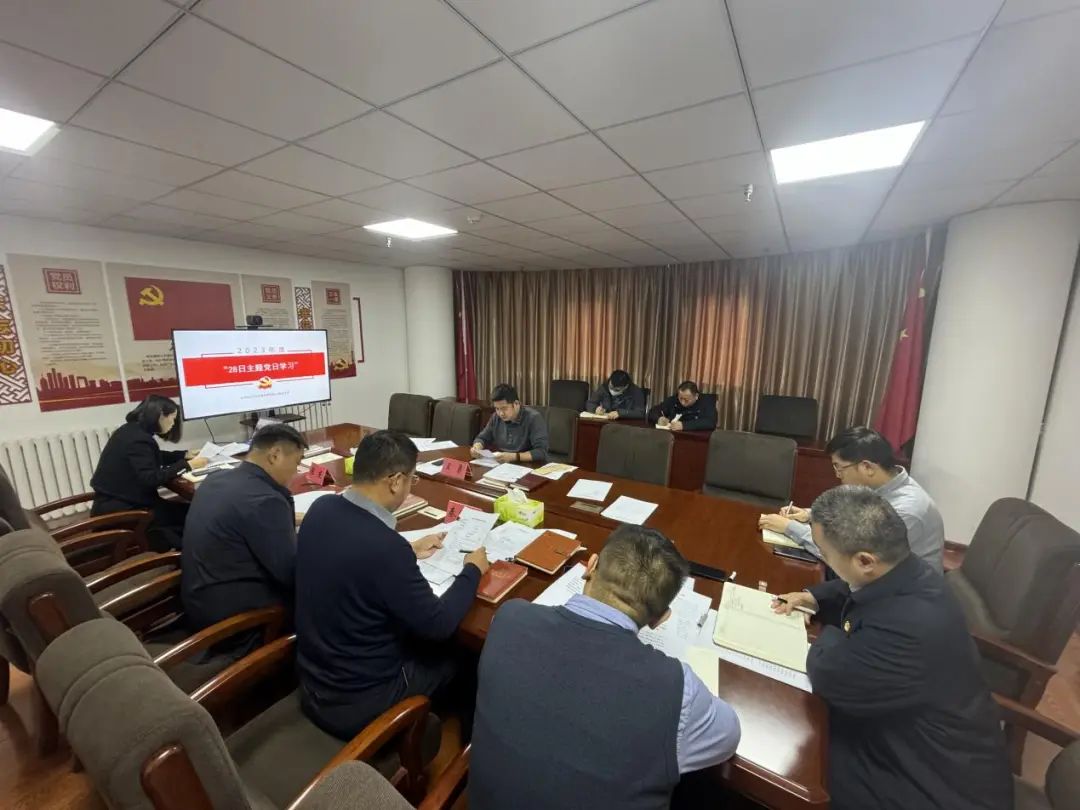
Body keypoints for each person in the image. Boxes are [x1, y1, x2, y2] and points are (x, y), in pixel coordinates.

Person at [772, 486, 1011, 810]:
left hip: (929, 781)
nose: (824, 559)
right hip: (906, 734)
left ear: (865, 560)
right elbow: (854, 589)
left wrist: (828, 634)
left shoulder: (908, 628)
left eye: (825, 553)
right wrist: (815, 597)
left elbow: (828, 675)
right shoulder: (912, 573)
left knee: (791, 759)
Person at [470, 525, 741, 810]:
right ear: (660, 619)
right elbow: (728, 735)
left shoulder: (510, 617)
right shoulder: (678, 689)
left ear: (590, 566)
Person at [295, 430, 490, 740]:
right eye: (412, 479)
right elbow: (438, 624)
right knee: (467, 654)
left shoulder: (321, 509)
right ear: (396, 481)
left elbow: (353, 557)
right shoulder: (384, 548)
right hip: (361, 702)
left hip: (314, 682)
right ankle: (457, 751)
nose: (411, 485)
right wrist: (472, 570)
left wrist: (408, 549)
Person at [180, 424, 308, 660]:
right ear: (275, 455)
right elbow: (291, 574)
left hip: (198, 603)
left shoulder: (216, 479)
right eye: (297, 462)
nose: (296, 470)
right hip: (237, 624)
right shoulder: (266, 500)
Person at [759, 426, 944, 571]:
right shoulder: (882, 486)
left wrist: (790, 528)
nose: (837, 475)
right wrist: (809, 515)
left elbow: (849, 558)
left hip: (900, 599)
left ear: (867, 467)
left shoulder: (906, 511)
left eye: (839, 467)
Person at [90, 395, 208, 550]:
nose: (173, 424)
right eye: (172, 419)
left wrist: (184, 455)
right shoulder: (140, 439)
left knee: (189, 511)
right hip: (128, 512)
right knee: (195, 514)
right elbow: (151, 478)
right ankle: (189, 550)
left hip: (114, 502)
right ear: (160, 416)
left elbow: (150, 456)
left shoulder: (130, 430)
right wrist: (188, 465)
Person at [470, 383, 549, 463]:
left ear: (516, 404)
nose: (501, 413)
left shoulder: (533, 418)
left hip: (527, 465)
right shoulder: (496, 417)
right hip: (502, 463)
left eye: (504, 408)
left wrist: (515, 456)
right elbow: (482, 438)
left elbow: (541, 452)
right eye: (497, 409)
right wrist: (477, 447)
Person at [646, 381, 717, 431]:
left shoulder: (706, 403)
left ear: (696, 396)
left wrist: (684, 426)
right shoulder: (674, 399)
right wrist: (659, 418)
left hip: (695, 439)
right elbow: (653, 411)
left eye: (686, 400)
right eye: (680, 398)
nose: (682, 402)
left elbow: (710, 422)